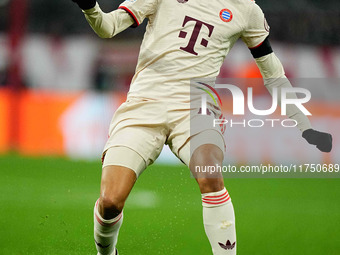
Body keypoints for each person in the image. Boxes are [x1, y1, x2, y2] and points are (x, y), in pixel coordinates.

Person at [71, 0, 333, 254]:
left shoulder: (246, 9)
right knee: (110, 202)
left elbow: (274, 76)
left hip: (197, 107)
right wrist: (90, 7)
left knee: (209, 174)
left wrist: (305, 127)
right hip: (144, 103)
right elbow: (108, 26)